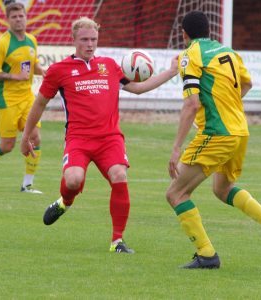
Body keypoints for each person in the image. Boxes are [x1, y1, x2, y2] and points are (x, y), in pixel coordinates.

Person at [20, 17, 178, 253]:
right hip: (78, 139)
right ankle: (65, 202)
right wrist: (26, 136)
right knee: (73, 181)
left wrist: (172, 71)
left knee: (119, 175)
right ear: (73, 40)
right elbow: (39, 103)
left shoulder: (110, 65)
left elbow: (138, 88)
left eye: (93, 39)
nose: (90, 44)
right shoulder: (58, 71)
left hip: (109, 139)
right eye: (84, 39)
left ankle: (117, 241)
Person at [166, 11, 261, 269]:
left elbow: (191, 104)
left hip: (217, 133)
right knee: (222, 189)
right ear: (209, 31)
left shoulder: (190, 55)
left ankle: (206, 254)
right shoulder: (230, 53)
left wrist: (176, 147)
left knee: (176, 193)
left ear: (184, 34)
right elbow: (247, 85)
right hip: (240, 132)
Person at [0, 1, 45, 193]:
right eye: (14, 17)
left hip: (27, 98)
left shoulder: (32, 39)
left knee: (35, 137)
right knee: (7, 145)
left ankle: (27, 185)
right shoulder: (1, 43)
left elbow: (34, 63)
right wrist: (15, 76)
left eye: (21, 16)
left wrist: (42, 70)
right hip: (6, 100)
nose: (18, 19)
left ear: (26, 17)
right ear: (7, 20)